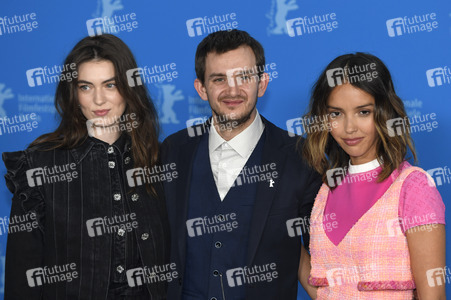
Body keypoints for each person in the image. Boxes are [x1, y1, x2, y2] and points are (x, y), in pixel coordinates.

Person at [2, 34, 169, 299]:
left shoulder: (159, 159)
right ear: (73, 93)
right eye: (86, 87)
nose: (99, 100)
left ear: (129, 88)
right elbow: (22, 276)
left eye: (110, 85)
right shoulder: (39, 166)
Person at [160, 29, 322, 300]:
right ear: (201, 88)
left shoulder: (301, 156)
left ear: (262, 83)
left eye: (244, 77)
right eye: (219, 79)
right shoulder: (173, 151)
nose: (232, 90)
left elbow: (323, 257)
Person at [300, 52, 446, 299]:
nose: (349, 127)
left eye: (363, 112)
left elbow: (433, 296)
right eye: (336, 113)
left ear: (384, 112)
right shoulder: (324, 190)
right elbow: (327, 291)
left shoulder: (413, 187)